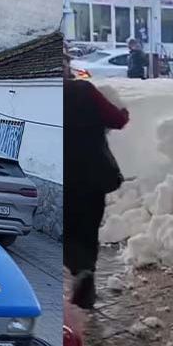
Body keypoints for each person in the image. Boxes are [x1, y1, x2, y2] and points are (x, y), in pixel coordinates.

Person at [64, 51, 129, 310]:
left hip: (65, 177)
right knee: (87, 231)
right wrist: (122, 109)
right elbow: (117, 119)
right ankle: (84, 285)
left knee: (68, 230)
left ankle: (74, 269)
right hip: (91, 176)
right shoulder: (84, 91)